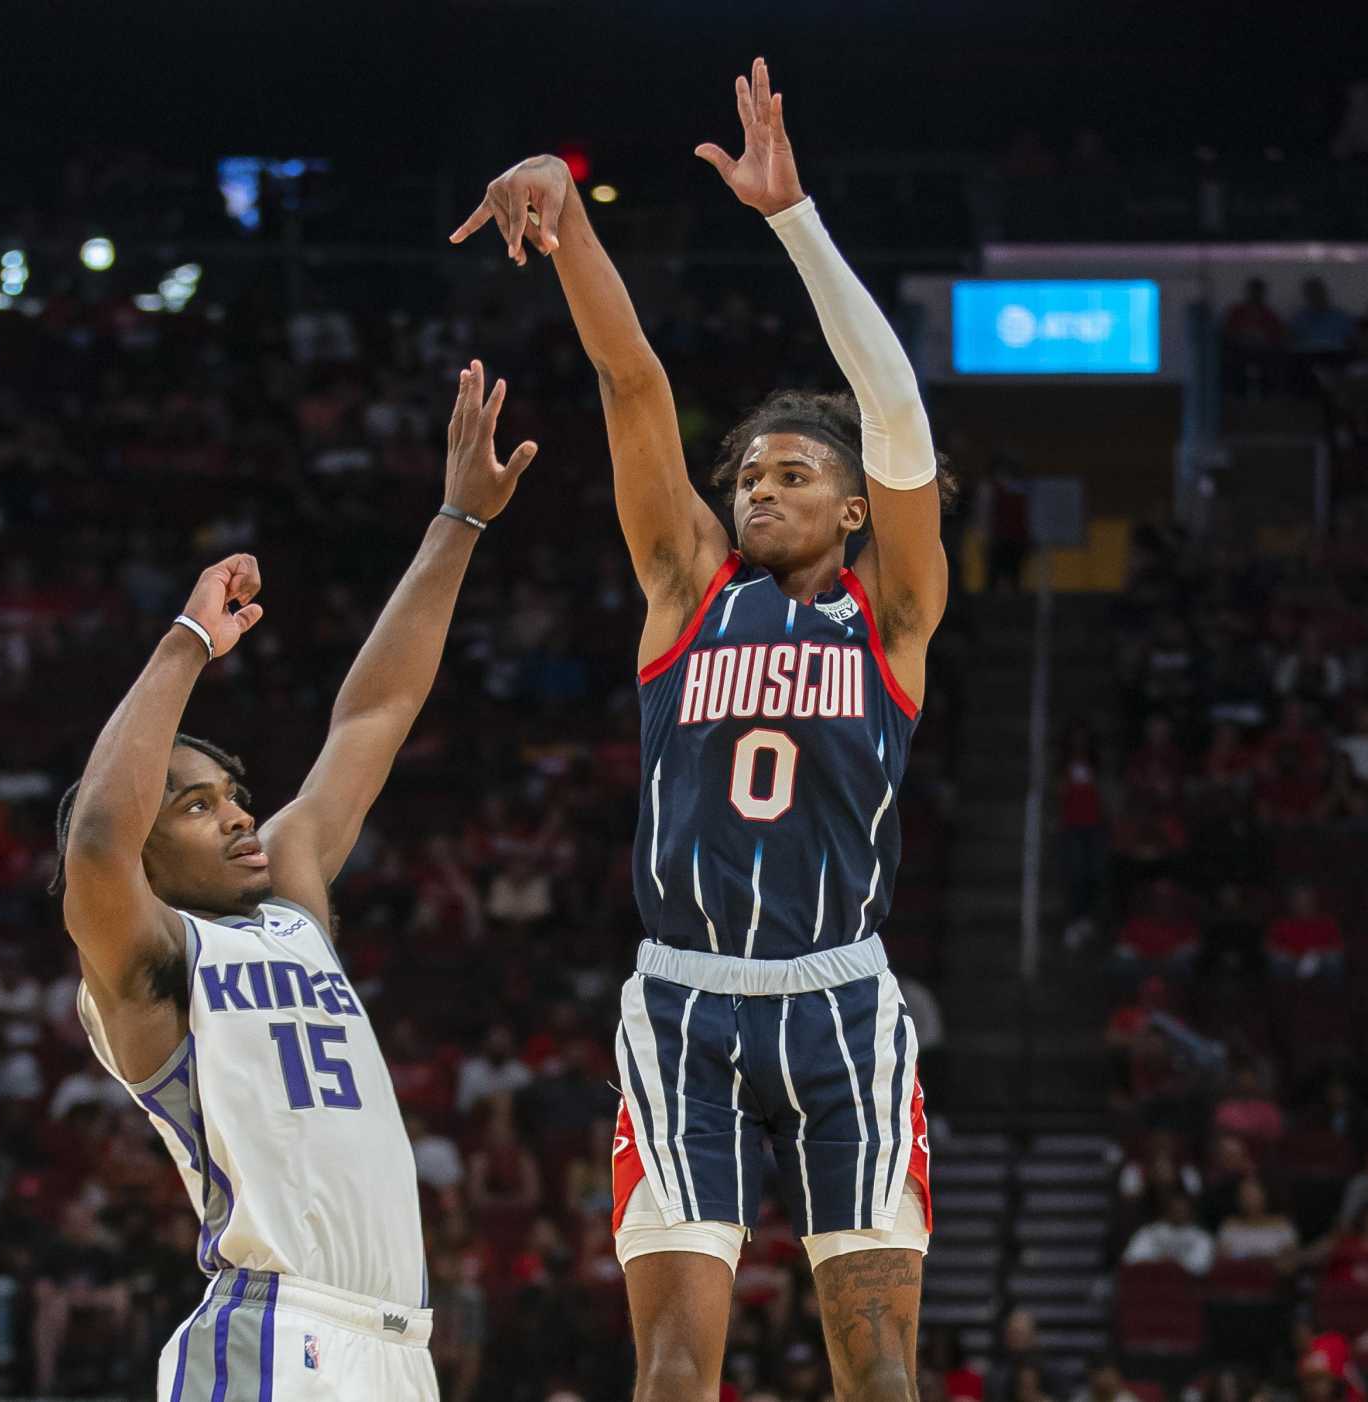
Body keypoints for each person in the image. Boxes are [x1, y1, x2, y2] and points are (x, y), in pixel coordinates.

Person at [452, 58, 949, 1400]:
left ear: (855, 511)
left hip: (844, 993)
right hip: (683, 998)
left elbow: (895, 414)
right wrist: (570, 220)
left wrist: (791, 220)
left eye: (795, 473)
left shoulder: (892, 610)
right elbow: (631, 383)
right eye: (748, 473)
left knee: (882, 1364)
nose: (760, 485)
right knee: (673, 1367)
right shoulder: (687, 590)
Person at [54, 363, 537, 1402]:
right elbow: (97, 837)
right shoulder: (148, 965)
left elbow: (374, 714)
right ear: (151, 850)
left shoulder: (290, 907)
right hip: (275, 1333)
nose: (235, 812)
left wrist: (457, 519)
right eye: (195, 804)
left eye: (233, 792)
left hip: (395, 1344)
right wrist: (186, 642)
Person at [1122, 1192, 1216, 1276]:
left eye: (1182, 1211)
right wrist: (1159, 1261)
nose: (1178, 1214)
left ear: (1191, 1212)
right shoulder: (1150, 1232)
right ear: (1166, 1210)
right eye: (1175, 1210)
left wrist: (1174, 1263)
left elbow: (1202, 1265)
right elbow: (1131, 1258)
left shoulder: (1201, 1237)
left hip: (1184, 1287)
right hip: (1153, 1283)